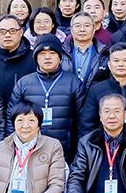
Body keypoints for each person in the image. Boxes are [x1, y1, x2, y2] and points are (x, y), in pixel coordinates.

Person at [8, 34, 86, 162]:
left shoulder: (73, 83)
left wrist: (79, 154)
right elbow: (11, 118)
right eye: (42, 54)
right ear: (36, 58)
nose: (47, 57)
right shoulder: (24, 83)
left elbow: (83, 122)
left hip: (64, 152)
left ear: (60, 57)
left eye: (52, 53)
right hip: (29, 152)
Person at [82, 43, 126, 136]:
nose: (120, 64)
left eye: (125, 60)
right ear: (109, 64)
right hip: (104, 142)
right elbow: (87, 124)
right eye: (116, 61)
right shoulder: (96, 90)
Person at [0, 14, 37, 112]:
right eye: (2, 31)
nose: (7, 35)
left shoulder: (34, 58)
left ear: (21, 32)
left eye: (12, 31)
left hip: (24, 115)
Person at [62, 11, 105, 88]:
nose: (82, 29)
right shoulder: (61, 52)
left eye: (87, 25)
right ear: (71, 30)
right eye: (77, 26)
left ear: (94, 29)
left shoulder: (104, 53)